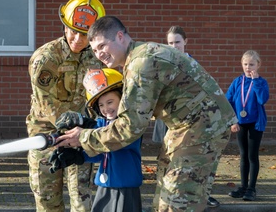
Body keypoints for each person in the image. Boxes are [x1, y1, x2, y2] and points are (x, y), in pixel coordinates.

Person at [55, 16, 238, 211]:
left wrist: (83, 137)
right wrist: (88, 130)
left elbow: (130, 127)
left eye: (102, 46)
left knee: (178, 201)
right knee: (163, 200)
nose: (99, 54)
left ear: (119, 36)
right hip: (184, 126)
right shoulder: (139, 56)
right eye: (95, 50)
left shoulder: (140, 64)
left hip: (203, 127)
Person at [25, 0, 105, 212]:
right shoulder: (47, 58)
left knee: (82, 202)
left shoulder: (96, 58)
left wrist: (88, 131)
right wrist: (73, 130)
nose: (78, 39)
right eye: (73, 32)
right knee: (48, 202)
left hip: (80, 139)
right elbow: (46, 104)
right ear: (64, 26)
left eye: (85, 35)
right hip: (47, 139)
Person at [49, 68, 143, 212]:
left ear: (123, 99)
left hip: (125, 187)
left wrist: (89, 126)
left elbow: (115, 143)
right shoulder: (103, 124)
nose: (106, 108)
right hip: (104, 186)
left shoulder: (131, 125)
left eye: (110, 102)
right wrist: (78, 156)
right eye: (101, 105)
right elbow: (101, 153)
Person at [161, 25, 221, 208]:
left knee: (199, 160)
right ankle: (172, 195)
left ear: (185, 42)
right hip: (172, 120)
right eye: (170, 42)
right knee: (172, 159)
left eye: (177, 42)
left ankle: (203, 194)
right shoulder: (164, 65)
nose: (174, 46)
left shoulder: (194, 66)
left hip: (195, 121)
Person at [226, 50, 269, 201]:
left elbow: (263, 99)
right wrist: (232, 121)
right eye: (245, 64)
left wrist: (256, 81)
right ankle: (243, 187)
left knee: (252, 155)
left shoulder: (262, 82)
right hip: (240, 124)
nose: (248, 67)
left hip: (255, 124)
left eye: (251, 64)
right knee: (243, 155)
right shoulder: (237, 81)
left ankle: (252, 189)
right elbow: (228, 101)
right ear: (241, 65)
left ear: (258, 65)